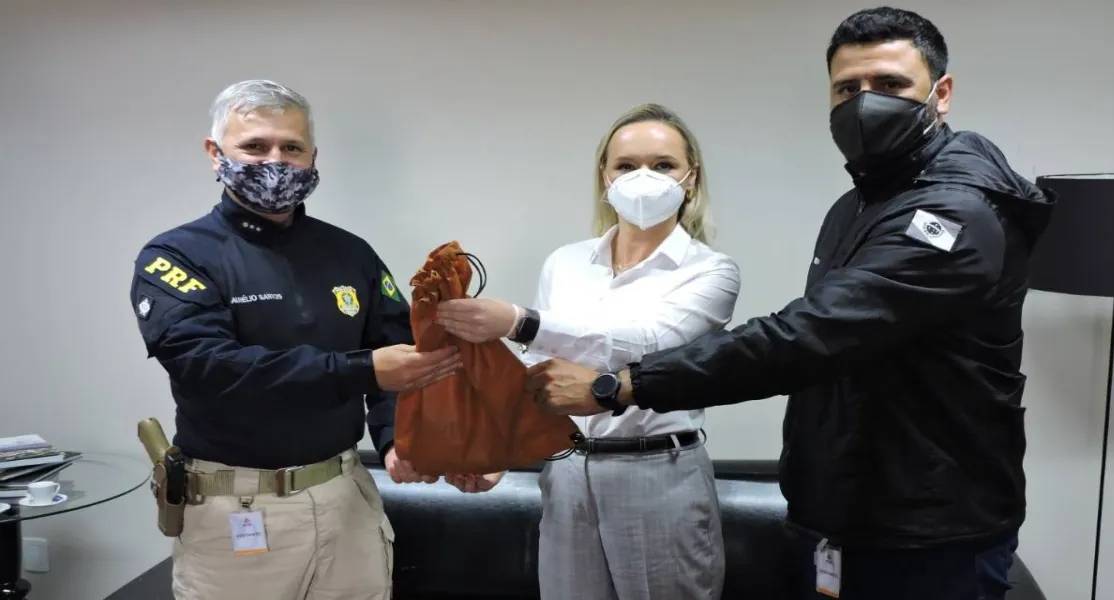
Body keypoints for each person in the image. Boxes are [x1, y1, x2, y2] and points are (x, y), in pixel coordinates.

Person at [528, 8, 1057, 600]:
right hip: (848, 514)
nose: (865, 103)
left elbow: (810, 337)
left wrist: (616, 386)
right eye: (847, 88)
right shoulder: (856, 206)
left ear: (942, 93)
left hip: (931, 530)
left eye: (890, 84)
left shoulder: (954, 213)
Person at [128, 79, 462, 600]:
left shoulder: (350, 252)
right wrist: (361, 369)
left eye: (291, 148)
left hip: (346, 496)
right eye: (255, 146)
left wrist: (398, 439)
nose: (275, 162)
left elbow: (400, 351)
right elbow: (209, 366)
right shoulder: (176, 256)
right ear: (215, 153)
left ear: (312, 157)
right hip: (238, 507)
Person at [433, 103, 741, 600]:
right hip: (568, 471)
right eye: (626, 165)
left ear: (691, 178)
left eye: (663, 165)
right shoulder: (567, 262)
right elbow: (539, 372)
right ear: (605, 177)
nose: (643, 178)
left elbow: (646, 340)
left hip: (658, 473)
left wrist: (522, 322)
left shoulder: (711, 270)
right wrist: (500, 449)